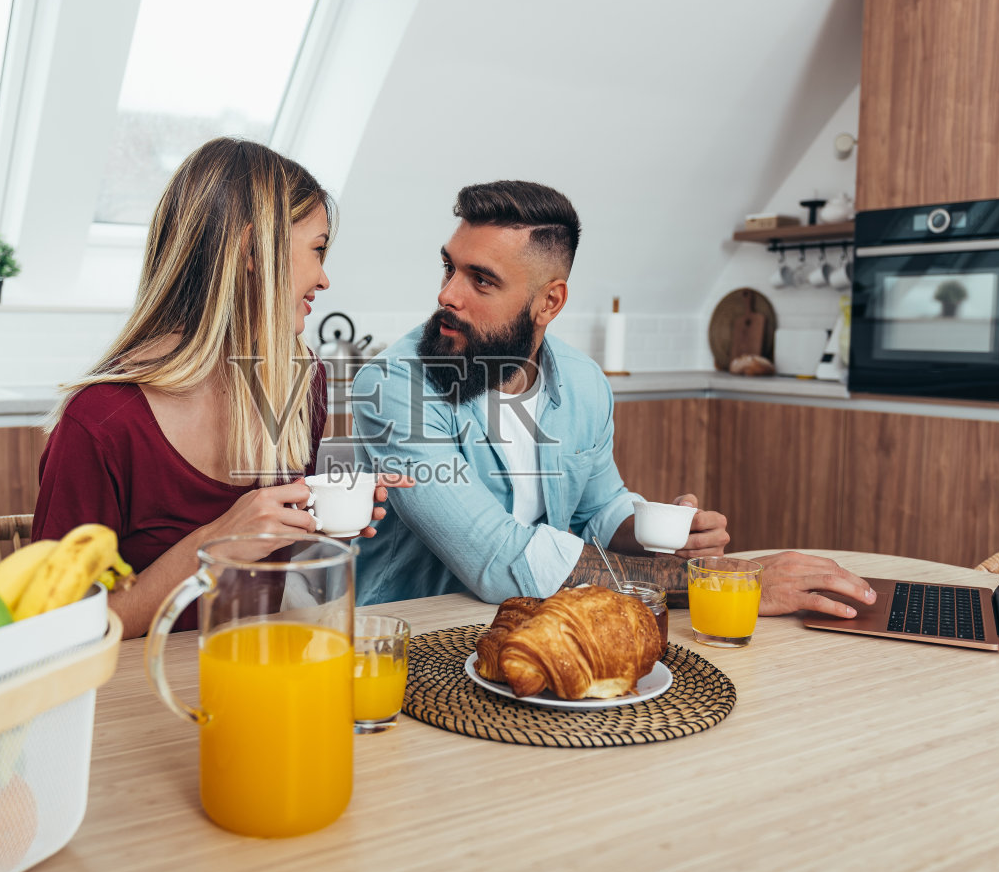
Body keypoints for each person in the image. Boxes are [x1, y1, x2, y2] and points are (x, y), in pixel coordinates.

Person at [349, 180, 876, 617]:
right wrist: (712, 583)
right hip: (410, 632)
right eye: (450, 268)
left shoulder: (583, 382)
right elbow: (495, 556)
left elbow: (599, 507)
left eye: (481, 280)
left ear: (549, 302)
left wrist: (658, 529)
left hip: (542, 623)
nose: (447, 294)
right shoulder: (396, 386)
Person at [33, 138, 402, 637]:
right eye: (317, 250)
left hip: (256, 669)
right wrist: (217, 541)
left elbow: (268, 560)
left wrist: (324, 513)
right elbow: (55, 632)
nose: (324, 278)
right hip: (139, 700)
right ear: (253, 251)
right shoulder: (102, 419)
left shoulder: (299, 381)